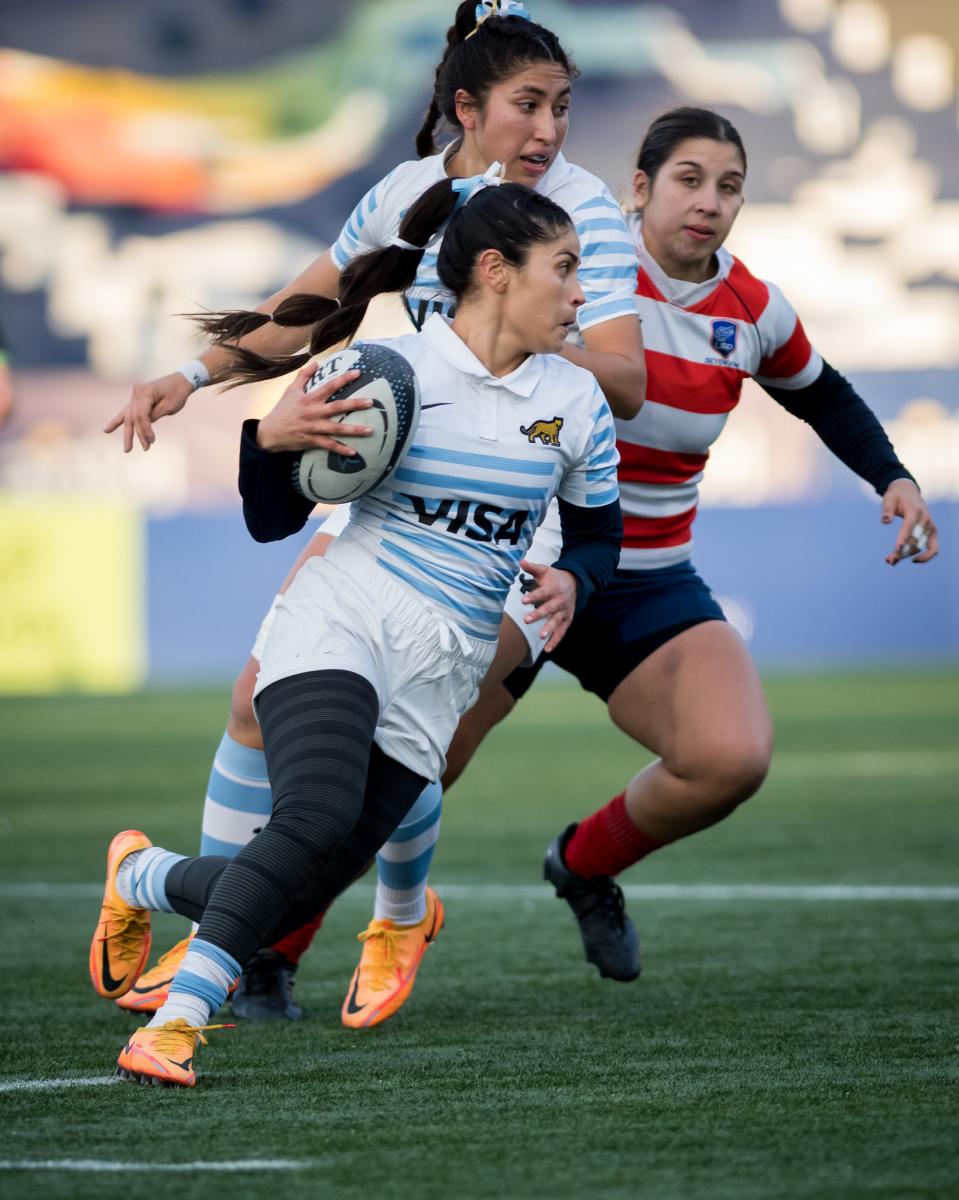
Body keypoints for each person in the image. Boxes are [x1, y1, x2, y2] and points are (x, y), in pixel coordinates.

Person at [107, 0, 645, 1024]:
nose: (547, 130)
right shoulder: (410, 193)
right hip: (396, 495)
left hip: (516, 528)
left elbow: (618, 384)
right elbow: (315, 306)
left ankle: (393, 911)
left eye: (562, 108)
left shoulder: (583, 223)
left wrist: (527, 338)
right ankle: (243, 952)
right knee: (254, 702)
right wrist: (189, 374)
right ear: (463, 107)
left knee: (409, 759)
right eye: (526, 105)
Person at [424, 105, 940, 985]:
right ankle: (270, 952)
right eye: (688, 179)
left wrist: (891, 476)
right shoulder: (575, 273)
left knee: (728, 759)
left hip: (648, 580)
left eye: (728, 186)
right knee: (416, 765)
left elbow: (824, 395)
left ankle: (583, 865)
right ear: (640, 187)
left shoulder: (751, 309)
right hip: (528, 564)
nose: (708, 202)